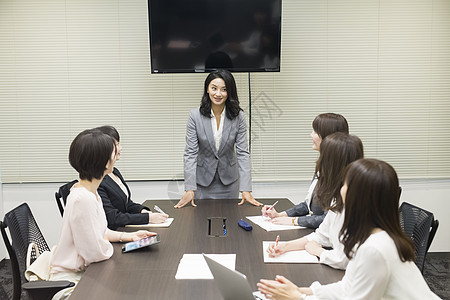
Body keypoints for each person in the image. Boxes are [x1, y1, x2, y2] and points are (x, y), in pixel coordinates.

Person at [258, 159, 441, 300]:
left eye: (345, 184)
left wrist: (298, 297)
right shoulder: (373, 237)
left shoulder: (374, 248)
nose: (341, 189)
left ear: (357, 197)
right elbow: (347, 287)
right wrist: (304, 290)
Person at [49, 129, 155, 299]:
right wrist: (114, 248)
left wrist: (129, 237)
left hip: (85, 272)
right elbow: (94, 253)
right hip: (72, 281)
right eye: (114, 151)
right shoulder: (83, 199)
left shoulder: (89, 191)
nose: (117, 155)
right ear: (105, 163)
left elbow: (101, 231)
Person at [265, 132, 363, 270]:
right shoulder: (338, 201)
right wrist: (284, 246)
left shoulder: (357, 205)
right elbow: (321, 236)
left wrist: (318, 251)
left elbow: (346, 260)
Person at [175, 69, 262, 208]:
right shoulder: (195, 116)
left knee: (229, 224)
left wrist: (246, 189)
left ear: (230, 92)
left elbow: (243, 153)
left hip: (229, 182)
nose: (218, 94)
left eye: (224, 89)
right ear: (207, 89)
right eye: (214, 88)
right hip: (202, 182)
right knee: (201, 222)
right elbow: (190, 153)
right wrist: (189, 188)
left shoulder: (238, 116)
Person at [262, 113, 349, 228]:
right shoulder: (323, 166)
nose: (311, 135)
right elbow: (308, 205)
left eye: (315, 132)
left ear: (329, 137)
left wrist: (294, 221)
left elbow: (327, 219)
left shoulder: (341, 173)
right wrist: (280, 215)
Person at [95, 125, 169, 230]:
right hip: (114, 232)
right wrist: (147, 218)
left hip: (124, 228)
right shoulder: (98, 181)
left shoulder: (114, 171)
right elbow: (112, 218)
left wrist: (143, 211)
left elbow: (127, 203)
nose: (120, 148)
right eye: (117, 144)